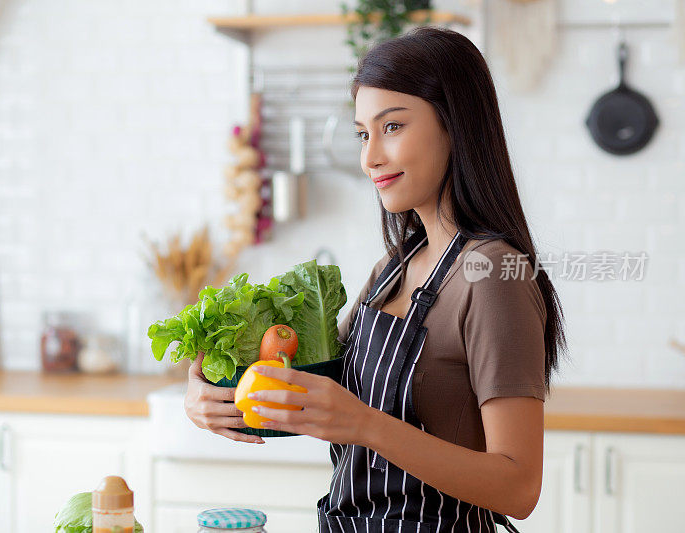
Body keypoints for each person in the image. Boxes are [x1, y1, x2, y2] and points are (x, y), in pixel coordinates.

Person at [184, 26, 567, 533]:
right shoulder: (395, 267)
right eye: (364, 134)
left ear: (456, 124)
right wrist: (215, 396)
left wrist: (363, 424)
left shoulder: (492, 275)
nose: (370, 159)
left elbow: (519, 488)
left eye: (392, 127)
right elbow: (319, 395)